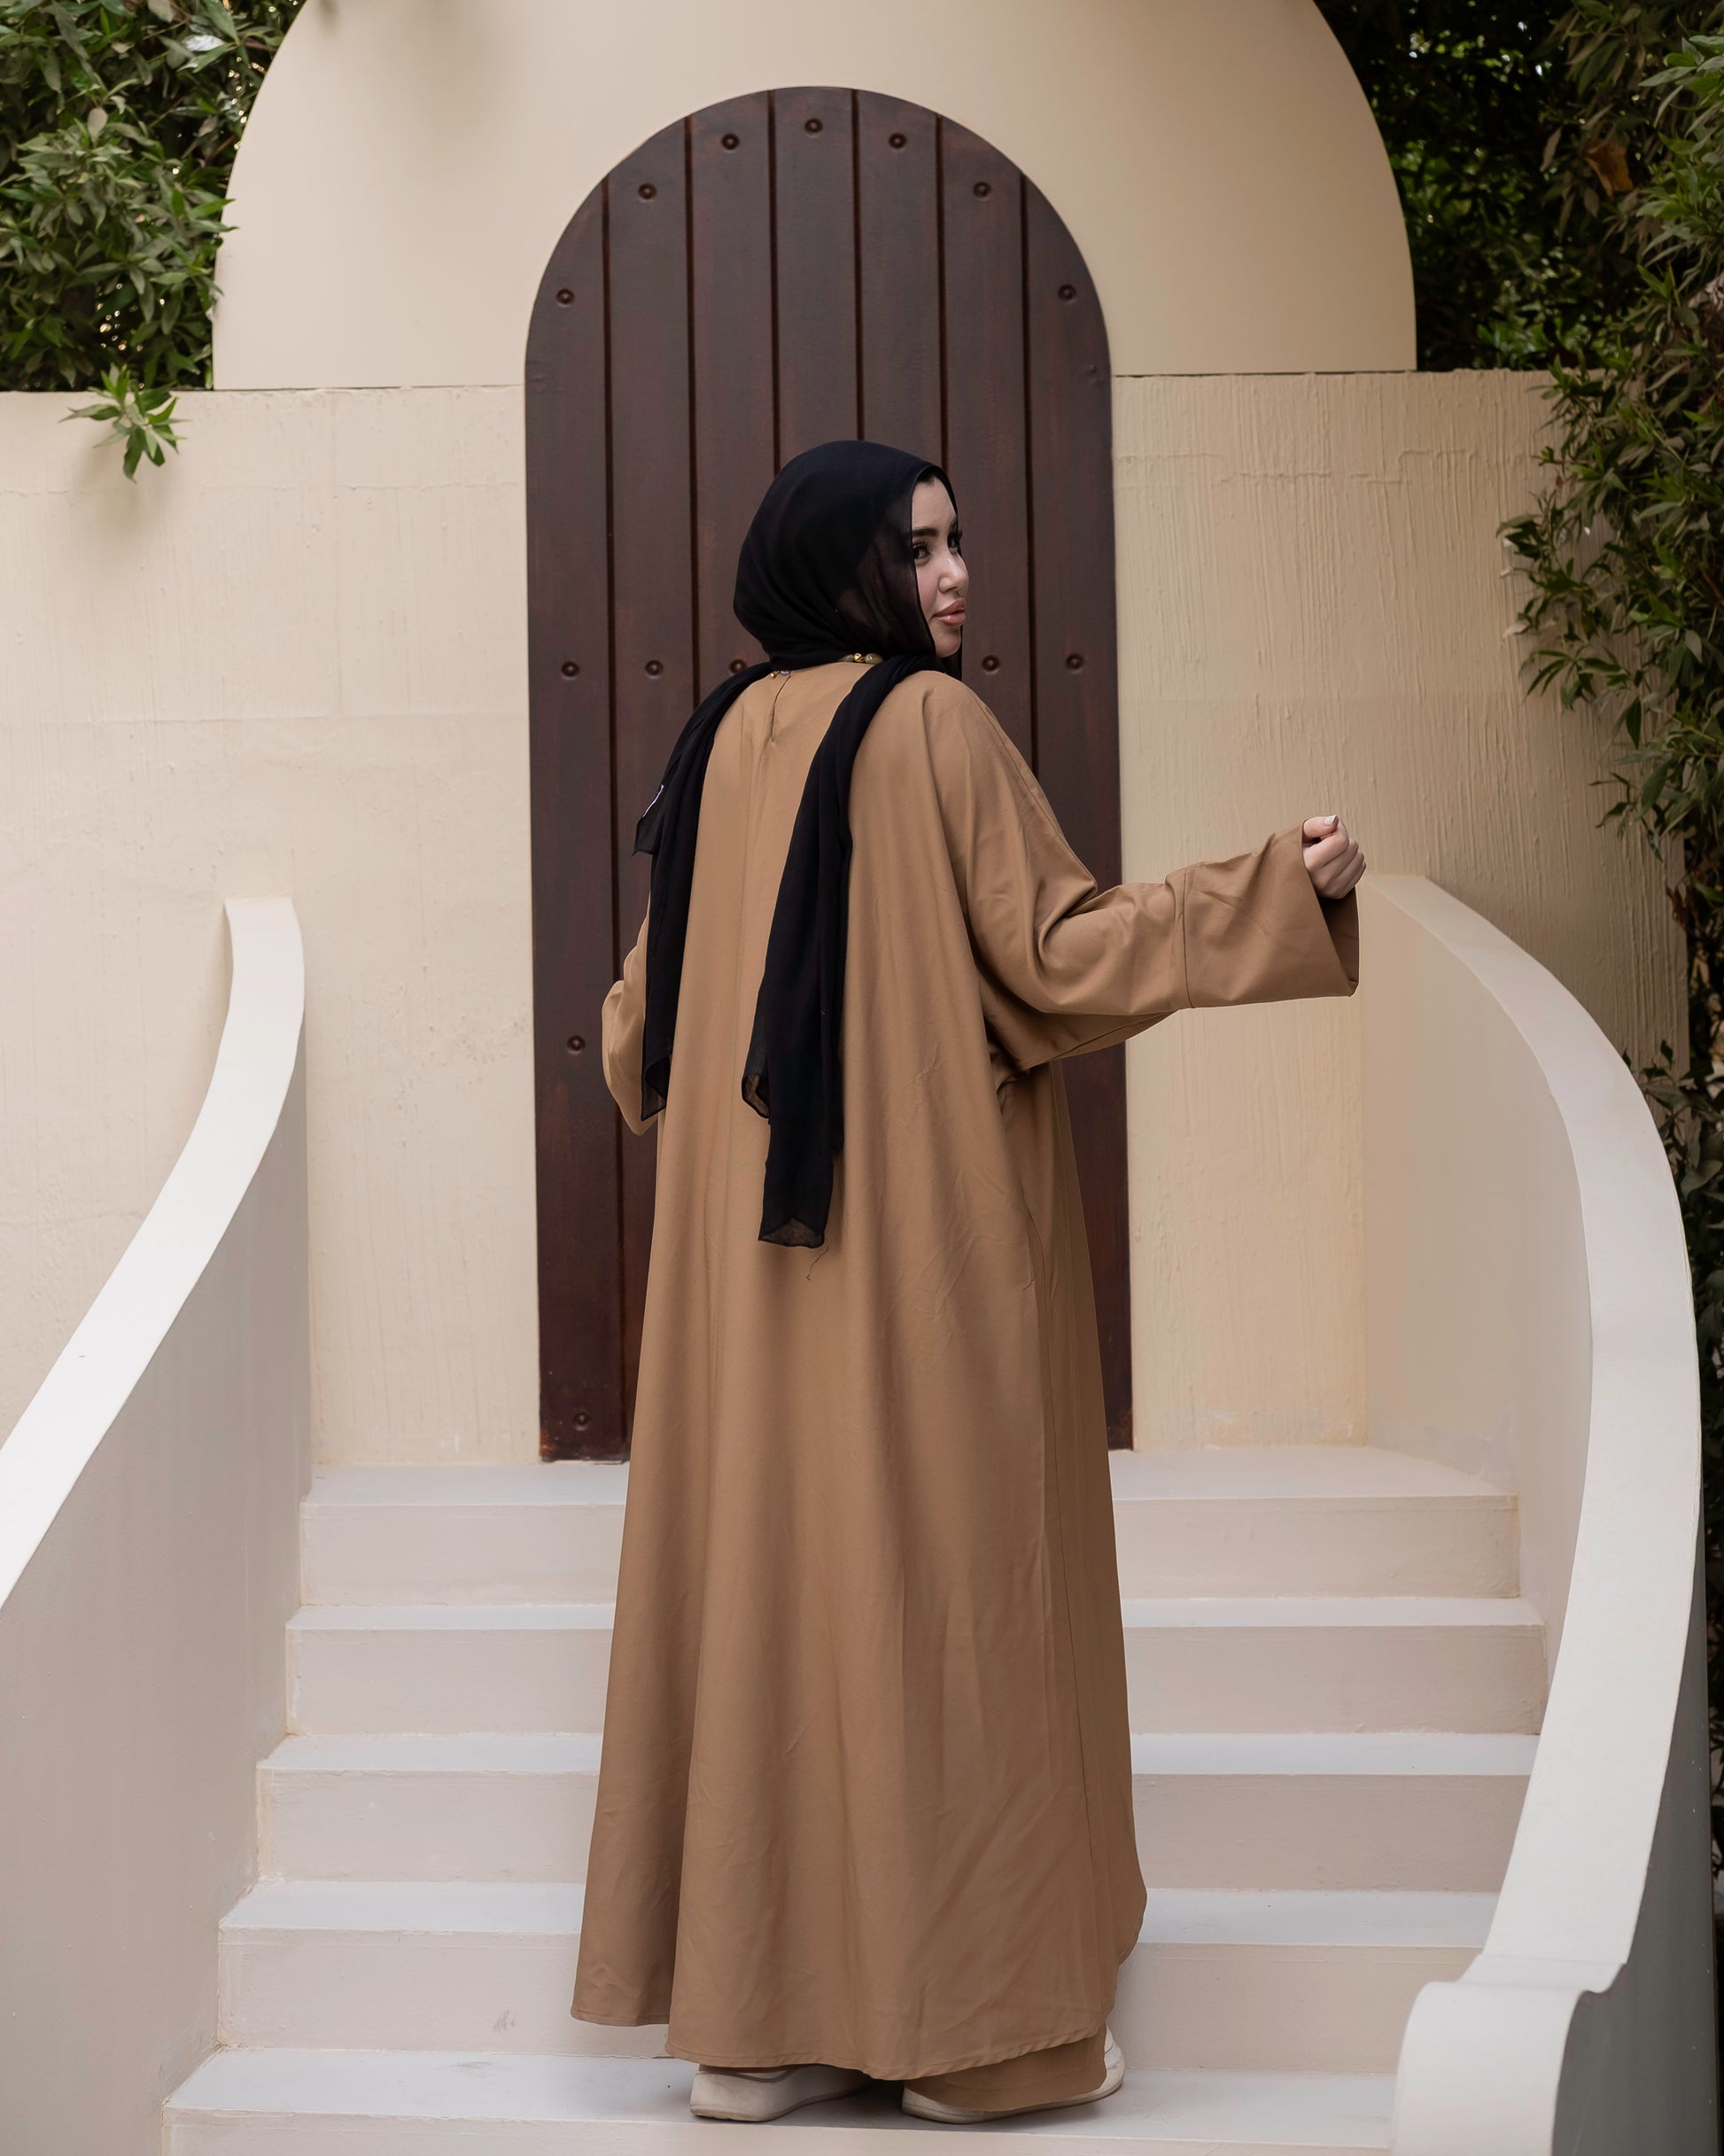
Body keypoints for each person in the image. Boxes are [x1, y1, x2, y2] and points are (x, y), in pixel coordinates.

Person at [571, 440, 1364, 2125]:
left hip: (742, 1300)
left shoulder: (714, 745)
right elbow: (1059, 955)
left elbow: (636, 1040)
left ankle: (752, 2033)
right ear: (843, 568)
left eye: (951, 543)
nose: (951, 576)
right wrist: (1272, 894)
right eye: (916, 548)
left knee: (777, 1612)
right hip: (913, 1263)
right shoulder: (929, 725)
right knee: (945, 1605)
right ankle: (982, 2039)